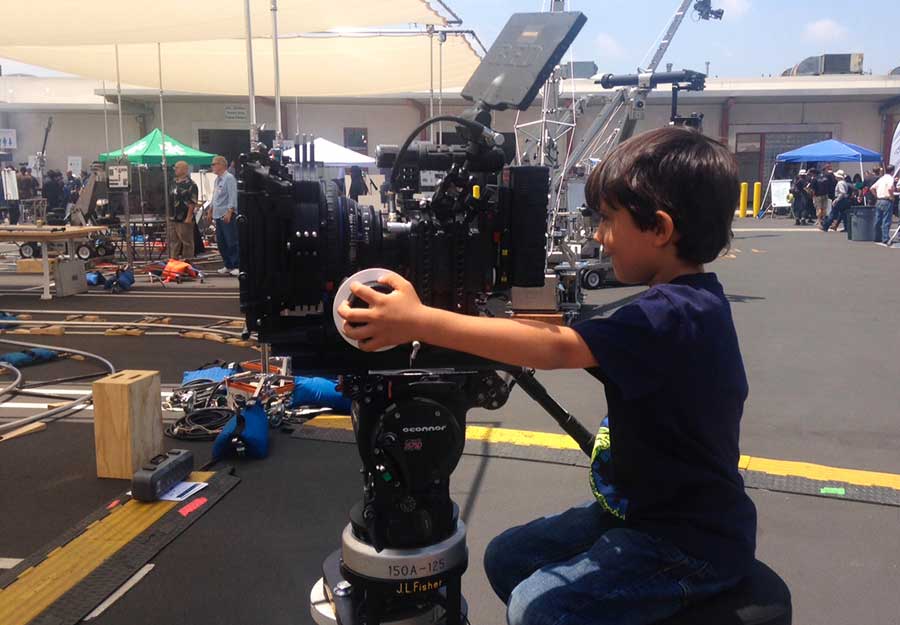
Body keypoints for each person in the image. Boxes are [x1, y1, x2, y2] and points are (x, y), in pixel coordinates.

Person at [338, 127, 756, 625]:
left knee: (539, 609)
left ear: (660, 229)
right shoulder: (682, 307)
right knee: (507, 557)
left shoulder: (672, 316)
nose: (598, 236)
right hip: (644, 509)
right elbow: (561, 335)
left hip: (691, 541)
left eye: (608, 219)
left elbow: (559, 347)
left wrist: (419, 320)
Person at [210, 155, 239, 275]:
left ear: (221, 165)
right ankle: (228, 264)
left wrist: (230, 211)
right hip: (218, 214)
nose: (212, 166)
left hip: (226, 214)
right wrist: (210, 210)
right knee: (221, 242)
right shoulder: (217, 180)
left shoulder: (229, 178)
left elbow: (233, 195)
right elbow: (215, 196)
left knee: (231, 240)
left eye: (214, 164)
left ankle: (236, 265)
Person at [168, 160, 198, 260]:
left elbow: (192, 202)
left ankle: (187, 262)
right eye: (175, 167)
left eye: (177, 167)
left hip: (184, 217)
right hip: (173, 216)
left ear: (185, 170)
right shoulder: (173, 182)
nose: (175, 169)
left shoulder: (191, 184)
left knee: (186, 241)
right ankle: (173, 262)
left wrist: (189, 217)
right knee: (174, 241)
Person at [871, 164, 895, 245]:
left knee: (878, 219)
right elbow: (890, 188)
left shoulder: (882, 178)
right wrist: (892, 197)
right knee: (886, 220)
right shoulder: (890, 178)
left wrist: (876, 196)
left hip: (879, 200)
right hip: (886, 200)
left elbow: (872, 188)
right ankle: (885, 238)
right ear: (892, 171)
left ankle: (877, 237)